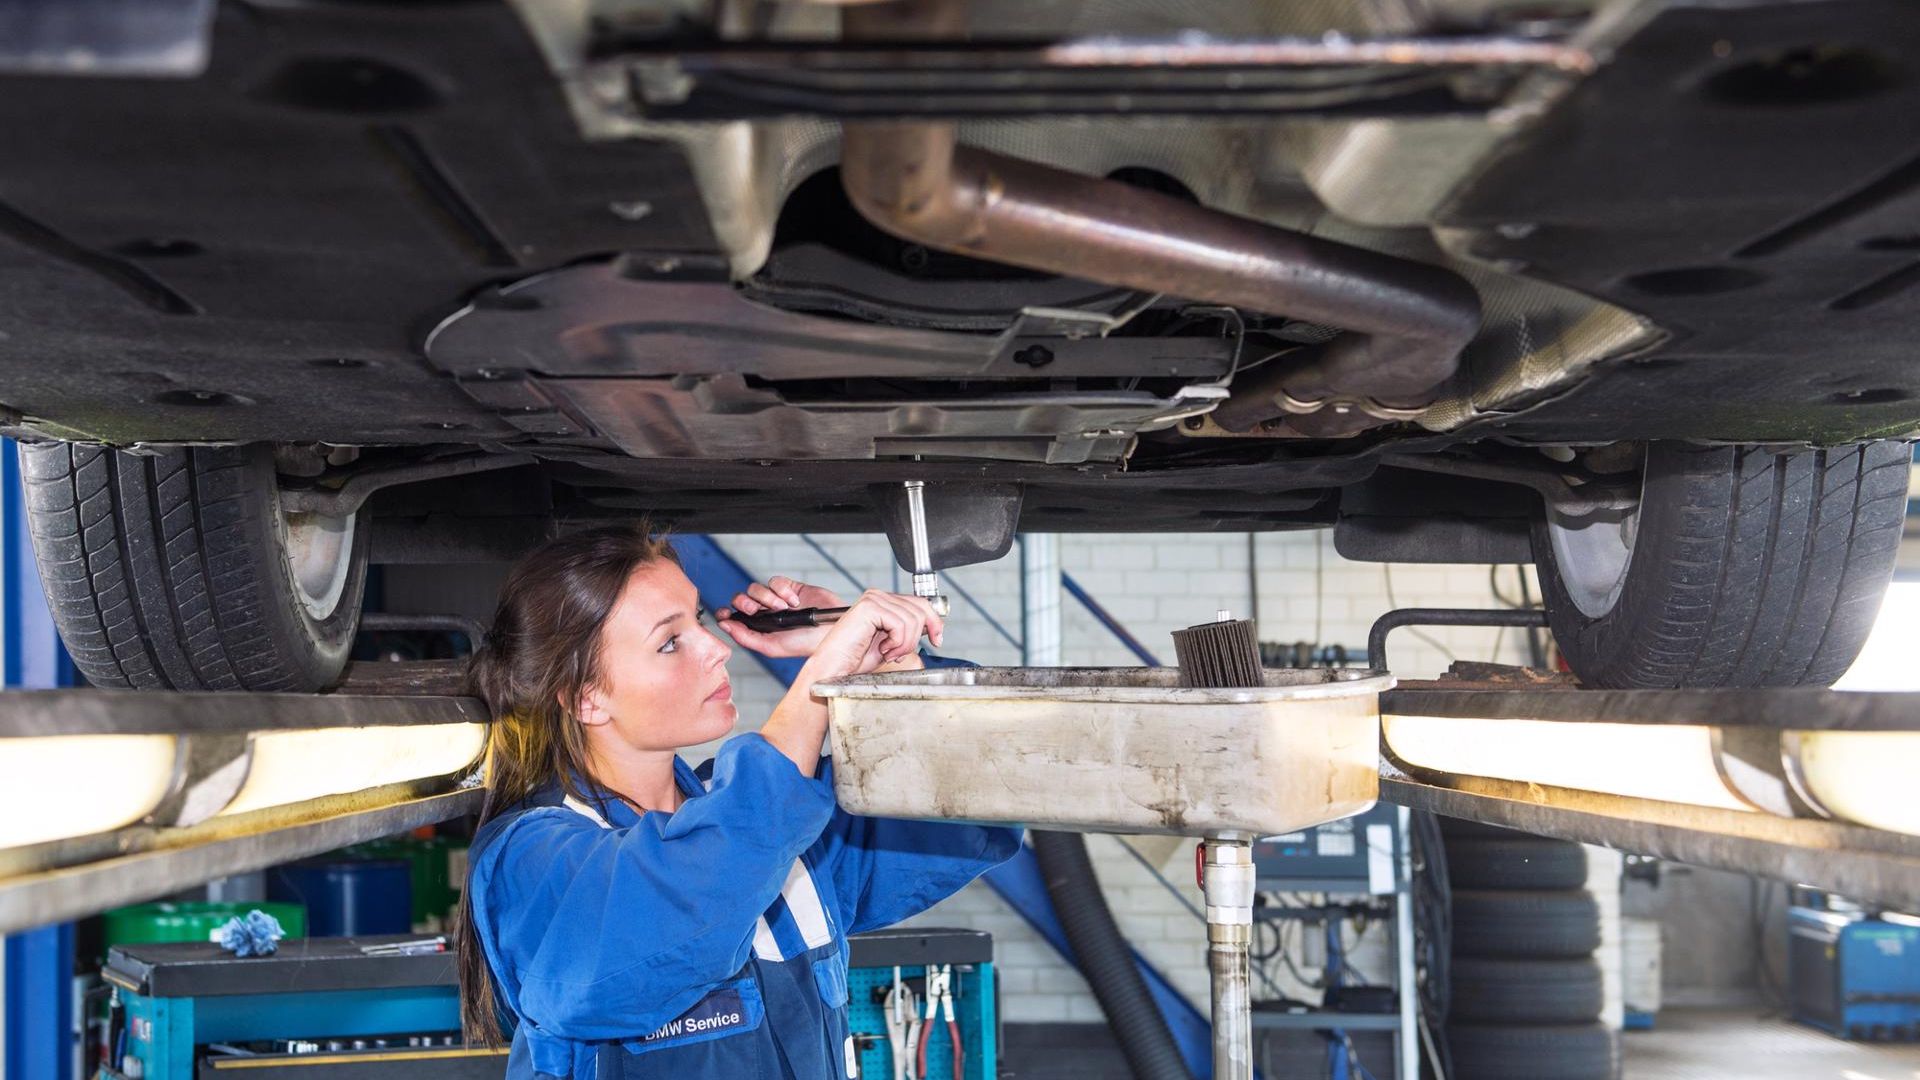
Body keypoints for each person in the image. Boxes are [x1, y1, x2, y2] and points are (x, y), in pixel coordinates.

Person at [453, 524, 1022, 1080]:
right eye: (671, 641)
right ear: (587, 699)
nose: (718, 649)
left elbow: (973, 790)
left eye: (699, 621)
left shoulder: (791, 830)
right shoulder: (534, 858)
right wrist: (821, 686)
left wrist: (892, 667)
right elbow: (694, 882)